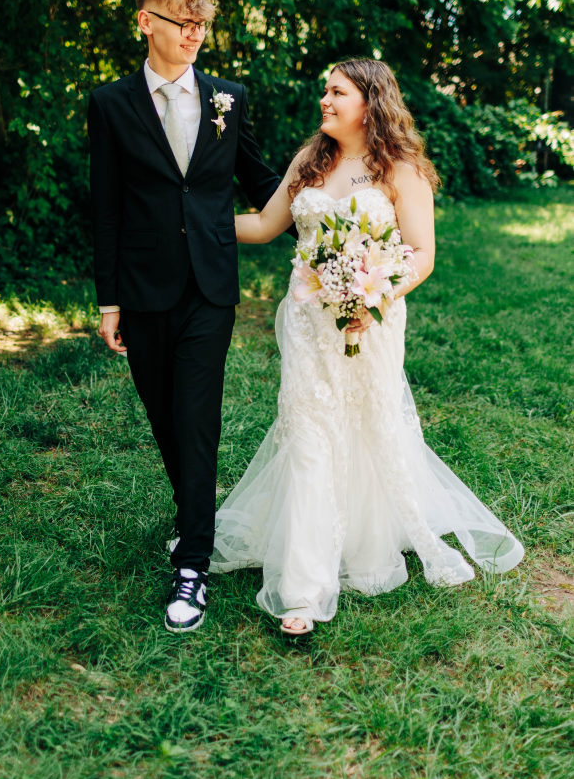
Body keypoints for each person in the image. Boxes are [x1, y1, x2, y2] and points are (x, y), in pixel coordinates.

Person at [210, 59, 524, 635]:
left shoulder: (399, 169)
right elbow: (262, 226)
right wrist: (192, 219)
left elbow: (421, 257)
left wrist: (371, 298)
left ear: (370, 100)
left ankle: (364, 536)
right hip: (307, 325)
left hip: (370, 324)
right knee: (308, 434)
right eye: (324, 92)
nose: (324, 101)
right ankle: (303, 590)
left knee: (370, 427)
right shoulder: (311, 160)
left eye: (337, 92)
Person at [88, 0, 283, 632]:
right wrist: (108, 300)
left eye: (202, 23)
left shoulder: (229, 99)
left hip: (210, 285)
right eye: (182, 23)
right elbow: (106, 205)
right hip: (141, 286)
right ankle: (195, 516)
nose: (195, 34)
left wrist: (337, 189)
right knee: (165, 418)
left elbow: (263, 182)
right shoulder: (110, 105)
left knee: (196, 417)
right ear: (145, 21)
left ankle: (192, 564)